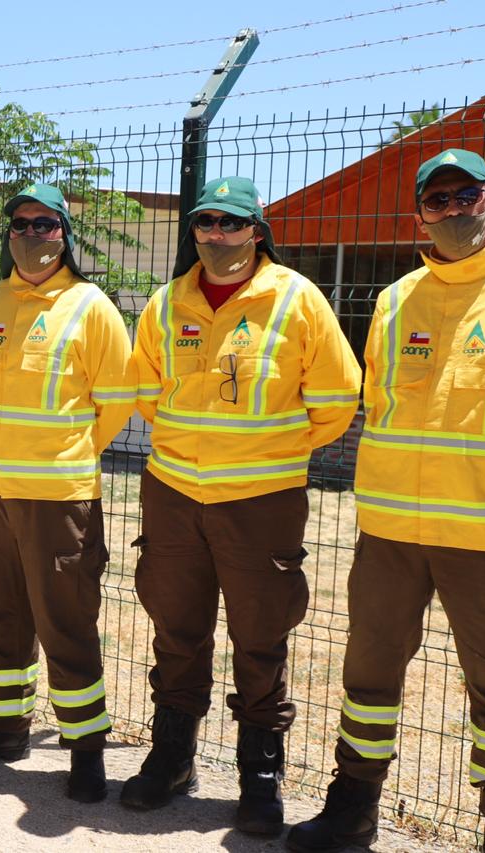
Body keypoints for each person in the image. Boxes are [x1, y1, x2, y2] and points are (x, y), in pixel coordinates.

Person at [288, 150, 485, 853]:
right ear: (419, 212)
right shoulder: (394, 300)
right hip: (388, 532)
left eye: (465, 195)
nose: (452, 210)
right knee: (368, 675)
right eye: (437, 199)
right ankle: (352, 806)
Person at [127, 177, 361, 833]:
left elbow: (337, 400)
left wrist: (272, 453)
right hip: (173, 492)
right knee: (176, 630)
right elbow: (146, 387)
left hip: (261, 501)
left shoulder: (296, 300)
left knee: (260, 638)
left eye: (231, 223)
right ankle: (172, 756)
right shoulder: (168, 302)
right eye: (205, 222)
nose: (216, 233)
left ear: (257, 232)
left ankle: (260, 775)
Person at [0, 183, 135, 804]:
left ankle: (85, 751)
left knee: (66, 625)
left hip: (57, 498)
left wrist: (65, 454)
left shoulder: (90, 305)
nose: (31, 235)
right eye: (21, 225)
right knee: (0, 620)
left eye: (44, 225)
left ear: (65, 234)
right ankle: (4, 730)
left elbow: (115, 403)